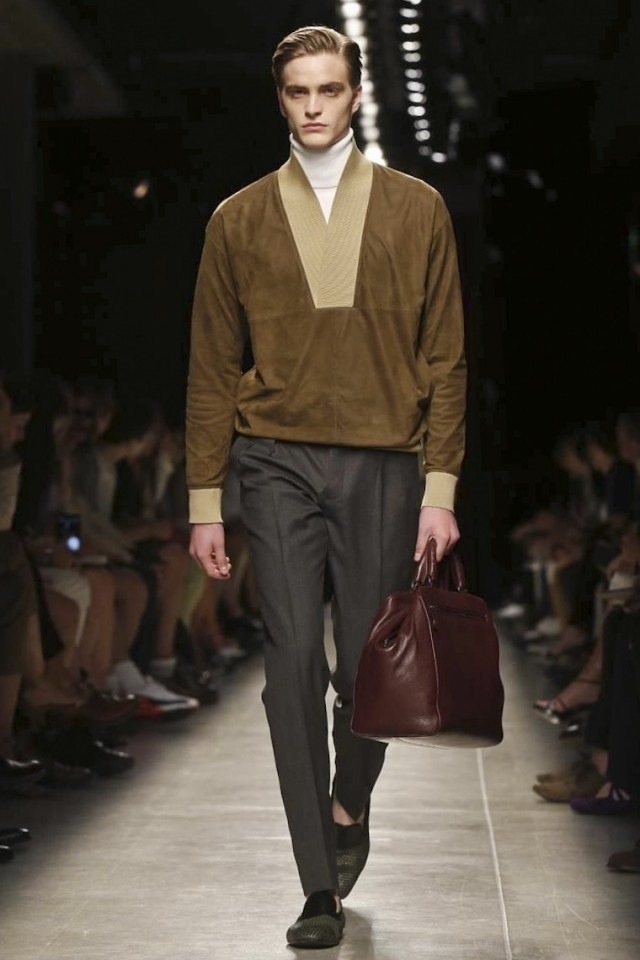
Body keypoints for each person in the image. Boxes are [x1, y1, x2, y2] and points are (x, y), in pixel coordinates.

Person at [186, 25, 467, 948]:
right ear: (280, 98)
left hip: (385, 460)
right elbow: (211, 368)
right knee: (292, 665)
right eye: (298, 91)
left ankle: (351, 800)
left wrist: (440, 487)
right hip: (274, 460)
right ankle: (318, 884)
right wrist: (204, 501)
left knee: (369, 669)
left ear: (354, 95)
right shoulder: (237, 219)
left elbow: (446, 358)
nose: (313, 106)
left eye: (329, 89)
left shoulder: (417, 208)